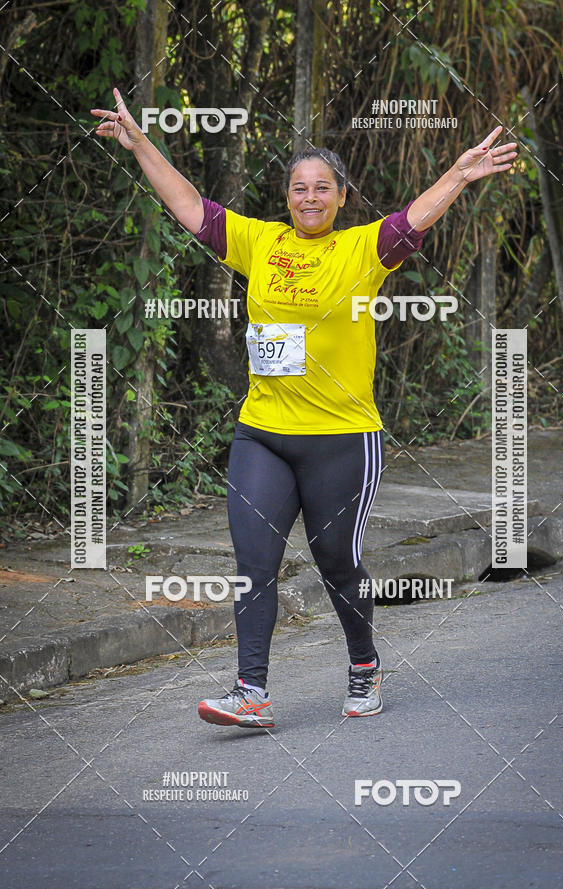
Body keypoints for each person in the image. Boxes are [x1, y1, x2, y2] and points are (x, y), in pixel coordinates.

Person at [92, 88, 517, 728]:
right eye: (298, 188)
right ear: (285, 198)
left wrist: (458, 173)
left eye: (323, 188)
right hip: (263, 433)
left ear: (342, 197)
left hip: (342, 439)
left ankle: (364, 664)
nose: (310, 198)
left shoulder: (362, 251)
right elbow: (187, 206)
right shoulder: (260, 244)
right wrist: (141, 142)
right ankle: (251, 692)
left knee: (336, 562)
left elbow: (416, 217)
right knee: (253, 561)